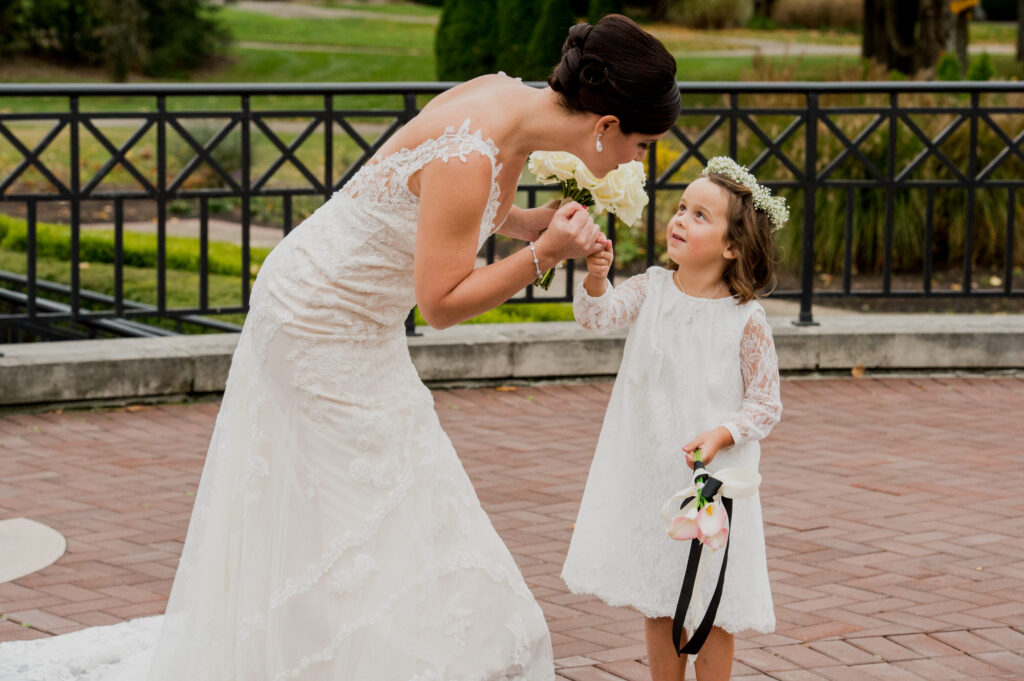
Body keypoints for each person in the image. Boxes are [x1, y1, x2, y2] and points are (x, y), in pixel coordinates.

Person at [0, 14, 681, 681]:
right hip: (316, 319)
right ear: (604, 126)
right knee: (372, 495)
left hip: (359, 323)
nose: (635, 160)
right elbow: (441, 304)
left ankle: (343, 645)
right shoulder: (472, 150)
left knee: (385, 493)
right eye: (643, 145)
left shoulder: (510, 100)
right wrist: (543, 253)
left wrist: (532, 222)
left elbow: (470, 206)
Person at [560, 158, 786, 681]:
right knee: (661, 598)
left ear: (732, 245)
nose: (680, 219)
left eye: (700, 215)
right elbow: (599, 317)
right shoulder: (652, 288)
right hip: (655, 468)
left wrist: (721, 434)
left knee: (714, 602)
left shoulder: (744, 319)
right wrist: (597, 278)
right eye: (681, 207)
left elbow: (764, 401)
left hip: (713, 477)